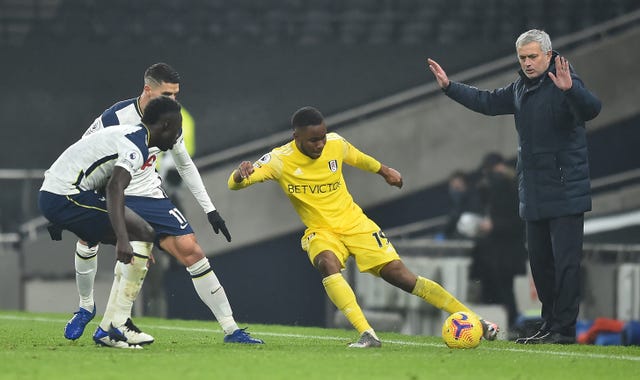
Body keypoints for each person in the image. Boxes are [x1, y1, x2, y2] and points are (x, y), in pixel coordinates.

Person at [227, 106, 499, 347]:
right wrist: (240, 174)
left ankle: (477, 321)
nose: (320, 144)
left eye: (322, 137)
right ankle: (367, 333)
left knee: (402, 276)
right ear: (295, 136)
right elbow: (235, 183)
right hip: (322, 231)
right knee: (326, 262)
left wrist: (386, 171)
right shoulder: (279, 160)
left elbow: (358, 158)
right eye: (313, 140)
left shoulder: (335, 144)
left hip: (356, 224)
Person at [64, 63, 263, 347]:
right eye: (167, 94)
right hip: (114, 191)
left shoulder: (172, 119)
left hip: (150, 193)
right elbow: (80, 154)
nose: (173, 100)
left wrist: (210, 209)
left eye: (175, 94)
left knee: (191, 251)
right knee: (90, 240)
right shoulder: (114, 117)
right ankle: (86, 307)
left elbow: (185, 164)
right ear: (148, 90)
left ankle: (231, 329)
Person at [427, 29, 602, 344]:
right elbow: (487, 101)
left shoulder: (565, 82)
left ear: (548, 55)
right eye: (522, 58)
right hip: (533, 192)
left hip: (565, 191)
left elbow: (591, 109)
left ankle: (564, 329)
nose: (528, 63)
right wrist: (450, 88)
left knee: (565, 265)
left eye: (533, 57)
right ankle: (549, 326)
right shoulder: (521, 88)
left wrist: (571, 91)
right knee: (541, 265)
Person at [38, 96, 182, 348]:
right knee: (143, 233)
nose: (179, 136)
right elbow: (116, 186)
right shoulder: (136, 145)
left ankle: (106, 327)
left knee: (140, 235)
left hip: (58, 191)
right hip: (65, 195)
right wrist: (124, 239)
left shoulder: (130, 134)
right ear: (166, 126)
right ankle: (118, 323)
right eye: (178, 129)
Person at [470, 152, 527, 331]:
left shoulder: (509, 187)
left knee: (504, 290)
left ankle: (511, 324)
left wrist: (493, 225)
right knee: (498, 289)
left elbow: (516, 222)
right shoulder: (499, 187)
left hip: (505, 251)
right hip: (496, 253)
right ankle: (504, 324)